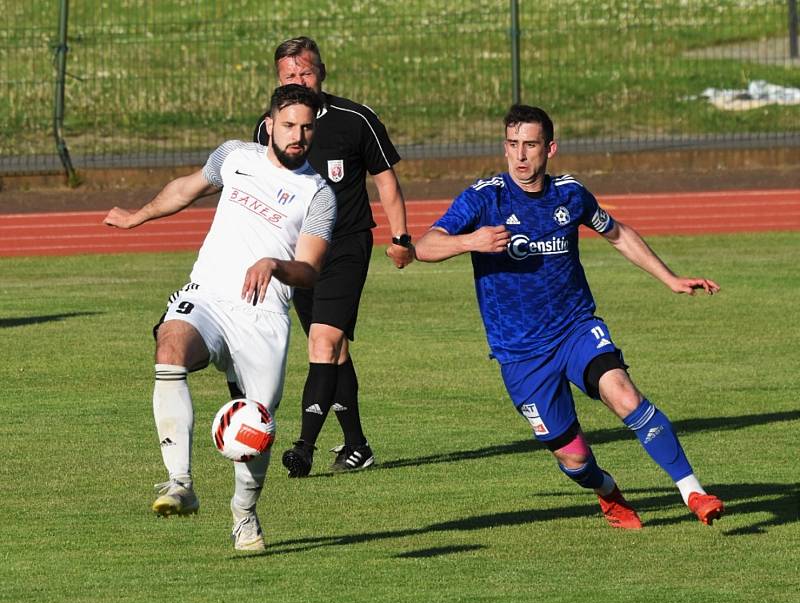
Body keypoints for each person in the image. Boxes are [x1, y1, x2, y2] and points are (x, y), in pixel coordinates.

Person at [414, 104, 725, 528]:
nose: (520, 156)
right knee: (574, 459)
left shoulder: (570, 194)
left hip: (576, 329)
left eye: (530, 145)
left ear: (550, 149)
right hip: (521, 353)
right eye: (512, 145)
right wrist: (472, 241)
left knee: (625, 395)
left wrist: (668, 278)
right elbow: (425, 246)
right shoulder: (484, 198)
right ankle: (607, 492)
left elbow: (617, 233)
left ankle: (694, 493)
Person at [103, 84, 337, 549]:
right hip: (208, 293)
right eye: (289, 126)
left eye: (307, 128)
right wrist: (139, 216)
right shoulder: (234, 156)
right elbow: (187, 189)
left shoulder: (319, 194)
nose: (299, 136)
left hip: (263, 314)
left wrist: (274, 265)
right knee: (170, 346)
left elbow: (309, 270)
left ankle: (243, 514)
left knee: (257, 426)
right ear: (270, 124)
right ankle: (180, 483)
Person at [249, 36, 414, 477]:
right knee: (332, 351)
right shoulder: (271, 126)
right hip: (297, 253)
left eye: (306, 72)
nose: (299, 81)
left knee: (322, 343)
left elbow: (386, 182)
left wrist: (400, 238)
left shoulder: (355, 119)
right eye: (290, 75)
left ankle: (303, 446)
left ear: (322, 71)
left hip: (345, 247)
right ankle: (357, 445)